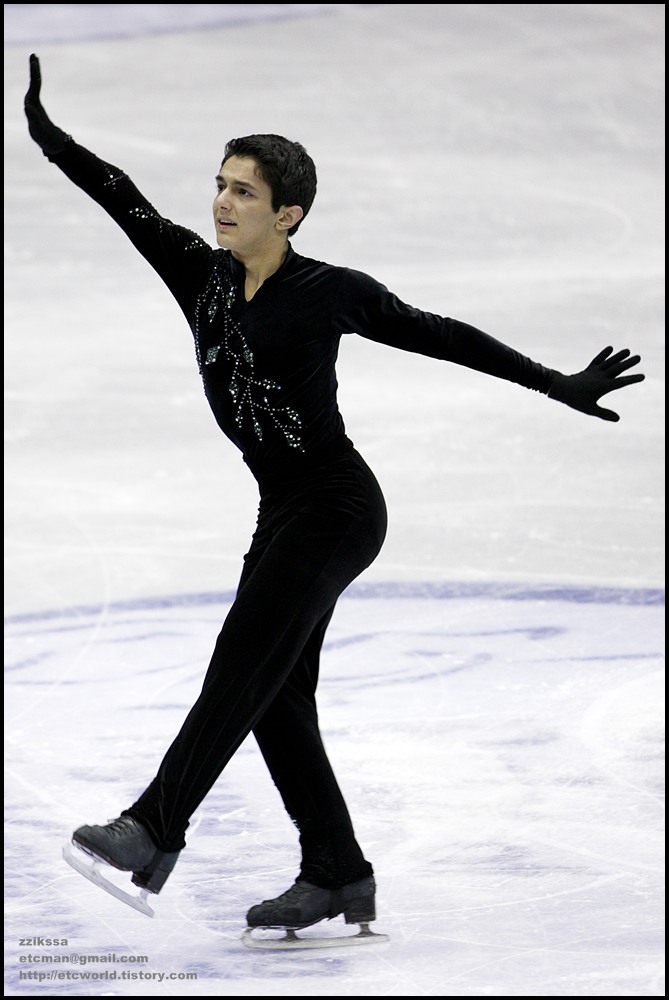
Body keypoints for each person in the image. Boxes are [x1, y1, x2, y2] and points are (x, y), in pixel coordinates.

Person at [24, 53, 644, 937]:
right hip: (282, 509)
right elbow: (123, 198)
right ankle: (336, 872)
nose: (222, 203)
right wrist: (51, 139)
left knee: (242, 661)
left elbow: (439, 334)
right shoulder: (198, 276)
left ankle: (155, 828)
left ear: (288, 213)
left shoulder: (327, 293)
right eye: (220, 185)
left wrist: (555, 383)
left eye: (243, 192)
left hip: (337, 508)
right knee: (275, 696)